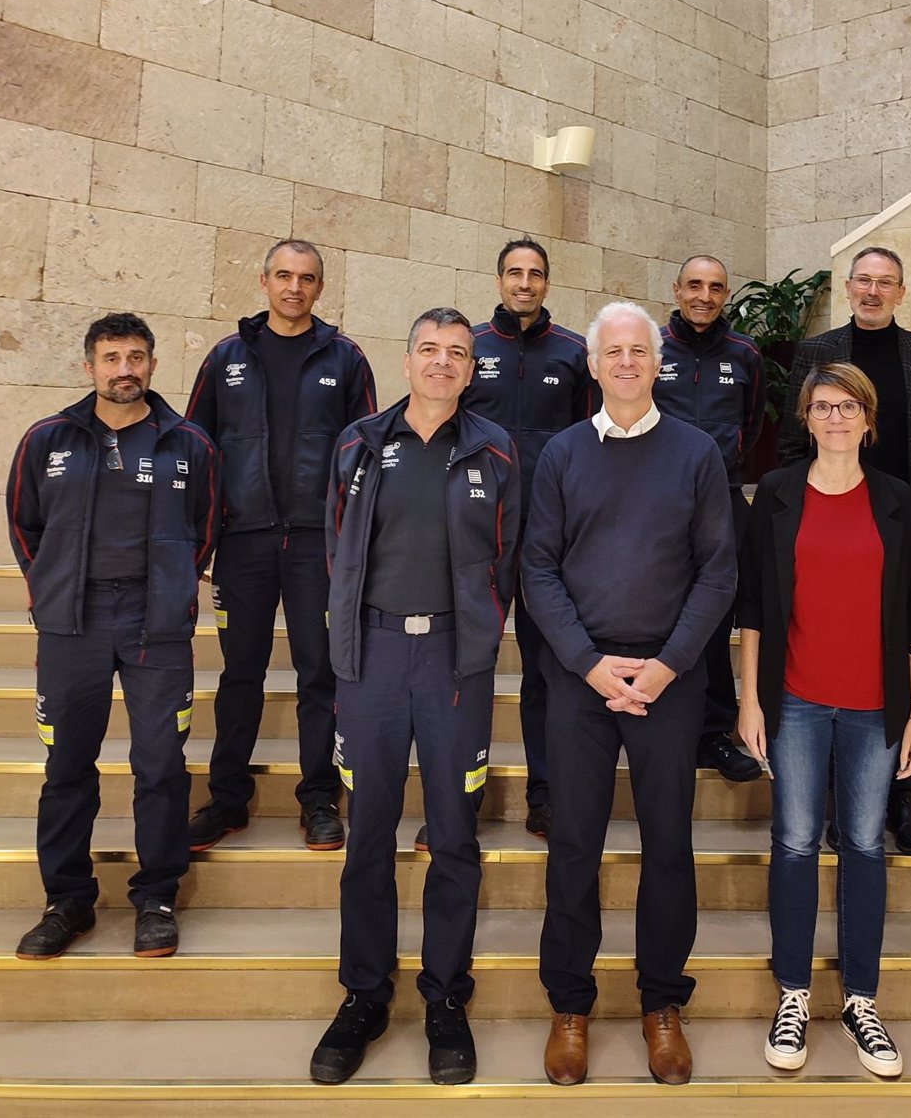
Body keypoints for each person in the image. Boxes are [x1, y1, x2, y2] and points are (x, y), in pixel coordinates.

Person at [523, 301, 735, 1087]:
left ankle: (661, 1003)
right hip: (580, 681)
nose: (624, 362)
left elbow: (718, 570)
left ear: (657, 362)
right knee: (574, 844)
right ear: (592, 363)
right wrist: (587, 662)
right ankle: (571, 1005)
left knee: (668, 848)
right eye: (611, 351)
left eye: (638, 351)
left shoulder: (697, 453)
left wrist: (668, 664)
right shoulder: (561, 455)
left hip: (669, 682)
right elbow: (537, 568)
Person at [309, 308, 520, 1087]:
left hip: (454, 664)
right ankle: (363, 993)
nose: (441, 364)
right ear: (407, 362)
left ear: (472, 369)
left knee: (454, 836)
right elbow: (337, 546)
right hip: (371, 656)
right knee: (367, 831)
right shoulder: (360, 444)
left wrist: (480, 632)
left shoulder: (495, 451)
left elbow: (510, 553)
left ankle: (445, 997)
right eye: (428, 350)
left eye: (456, 354)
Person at [738, 362, 911, 1078]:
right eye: (822, 407)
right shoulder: (779, 496)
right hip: (796, 701)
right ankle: (792, 994)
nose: (836, 418)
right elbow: (753, 604)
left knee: (865, 847)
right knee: (792, 842)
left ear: (868, 417)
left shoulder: (896, 502)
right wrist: (750, 699)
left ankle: (861, 1001)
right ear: (806, 419)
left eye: (848, 406)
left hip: (875, 706)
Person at [7, 313, 219, 961]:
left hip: (157, 627)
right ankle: (67, 900)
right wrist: (51, 589)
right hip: (74, 624)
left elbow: (206, 525)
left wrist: (178, 586)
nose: (123, 368)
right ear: (89, 367)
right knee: (67, 767)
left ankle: (156, 897)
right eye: (110, 357)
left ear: (153, 364)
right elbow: (24, 524)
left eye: (134, 356)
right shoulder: (49, 439)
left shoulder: (190, 444)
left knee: (160, 766)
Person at [185, 239, 377, 853]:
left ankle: (320, 798)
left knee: (320, 672)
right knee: (240, 674)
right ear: (264, 280)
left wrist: (355, 545)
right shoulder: (226, 358)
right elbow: (196, 451)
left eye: (308, 278)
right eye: (285, 276)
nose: (295, 288)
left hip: (318, 547)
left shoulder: (345, 359)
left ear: (322, 288)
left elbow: (367, 459)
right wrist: (201, 540)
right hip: (243, 544)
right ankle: (227, 800)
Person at [779, 245, 911, 856]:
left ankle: (905, 800)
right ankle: (839, 801)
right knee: (833, 660)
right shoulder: (816, 354)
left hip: (904, 536)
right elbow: (789, 447)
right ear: (848, 288)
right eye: (863, 281)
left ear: (901, 292)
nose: (873, 291)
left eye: (886, 283)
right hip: (832, 532)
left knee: (907, 652)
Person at [414, 237, 592, 851]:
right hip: (474, 535)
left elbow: (589, 442)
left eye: (535, 274)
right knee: (462, 666)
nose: (524, 283)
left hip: (549, 536)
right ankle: (453, 797)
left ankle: (545, 795)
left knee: (548, 670)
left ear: (547, 283)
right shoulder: (471, 351)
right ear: (498, 280)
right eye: (514, 273)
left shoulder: (573, 353)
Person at [655, 254, 765, 783]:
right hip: (659, 504)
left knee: (718, 617)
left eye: (716, 287)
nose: (704, 295)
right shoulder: (652, 348)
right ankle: (662, 721)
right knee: (661, 614)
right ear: (676, 289)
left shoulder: (745, 353)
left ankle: (715, 732)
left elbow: (752, 423)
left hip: (723, 501)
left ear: (727, 295)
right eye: (694, 285)